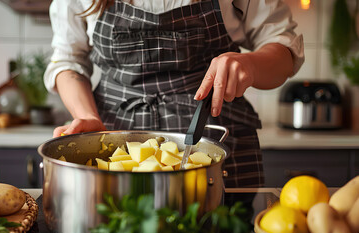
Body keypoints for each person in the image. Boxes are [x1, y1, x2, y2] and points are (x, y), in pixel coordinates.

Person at [44, 0, 304, 188]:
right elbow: (68, 62)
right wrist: (86, 116)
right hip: (115, 141)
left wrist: (251, 64)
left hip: (215, 139)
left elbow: (282, 50)